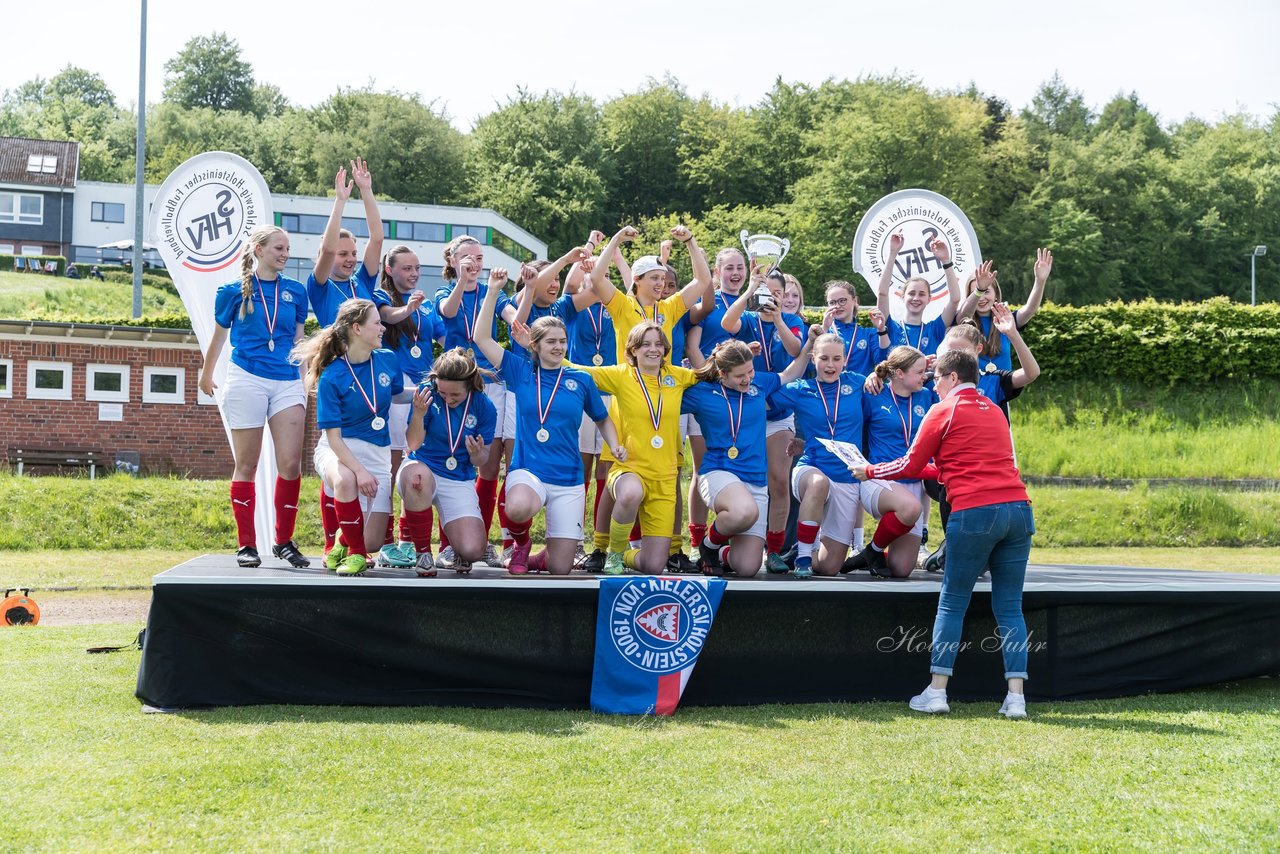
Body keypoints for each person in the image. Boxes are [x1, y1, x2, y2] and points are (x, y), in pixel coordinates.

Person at [854, 348, 1034, 719]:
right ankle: (1016, 698)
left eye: (937, 379)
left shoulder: (942, 410)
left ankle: (937, 692)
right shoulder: (996, 411)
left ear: (952, 378)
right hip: (1018, 509)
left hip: (974, 512)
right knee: (1011, 607)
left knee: (953, 602)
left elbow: (911, 463)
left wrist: (869, 472)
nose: (933, 385)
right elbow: (955, 469)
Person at [475, 270, 625, 574]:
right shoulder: (520, 371)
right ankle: (521, 543)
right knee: (516, 507)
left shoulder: (580, 379)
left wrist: (615, 445)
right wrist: (492, 291)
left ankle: (541, 559)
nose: (558, 347)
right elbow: (481, 338)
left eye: (562, 341)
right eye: (551, 342)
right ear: (535, 345)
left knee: (560, 570)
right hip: (529, 471)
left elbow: (603, 419)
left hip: (568, 480)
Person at [199, 226, 310, 569]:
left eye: (288, 249)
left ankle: (283, 541)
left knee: (290, 464)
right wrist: (206, 373)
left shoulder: (294, 291)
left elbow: (300, 340)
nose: (285, 254)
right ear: (259, 250)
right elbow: (219, 338)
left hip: (287, 381)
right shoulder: (232, 291)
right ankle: (247, 545)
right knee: (246, 465)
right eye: (279, 247)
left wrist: (305, 381)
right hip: (247, 378)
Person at [682, 332, 817, 576]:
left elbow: (790, 374)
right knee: (744, 512)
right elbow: (665, 400)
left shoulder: (759, 384)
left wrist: (808, 344)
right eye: (740, 375)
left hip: (755, 479)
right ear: (722, 373)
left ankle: (722, 552)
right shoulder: (701, 393)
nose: (747, 379)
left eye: (750, 372)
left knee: (747, 567)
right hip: (719, 472)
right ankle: (708, 546)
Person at [571, 322, 698, 575]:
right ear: (633, 349)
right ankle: (615, 554)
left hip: (664, 478)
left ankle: (628, 556)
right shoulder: (621, 375)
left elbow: (711, 373)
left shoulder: (679, 376)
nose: (654, 349)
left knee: (653, 566)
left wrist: (731, 354)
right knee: (630, 493)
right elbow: (577, 370)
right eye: (646, 344)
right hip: (629, 468)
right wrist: (543, 350)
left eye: (658, 344)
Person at [295, 299, 400, 576]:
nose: (382, 328)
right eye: (377, 322)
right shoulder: (333, 376)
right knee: (346, 479)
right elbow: (333, 438)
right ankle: (355, 553)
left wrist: (431, 391)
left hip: (378, 451)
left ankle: (344, 542)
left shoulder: (388, 360)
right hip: (338, 449)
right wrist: (361, 471)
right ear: (357, 328)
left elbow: (399, 393)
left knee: (375, 540)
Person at [435, 235, 520, 566]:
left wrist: (519, 323)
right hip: (457, 385)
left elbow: (509, 312)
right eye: (466, 257)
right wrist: (461, 280)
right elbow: (448, 310)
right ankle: (447, 543)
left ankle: (482, 541)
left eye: (479, 258)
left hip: (489, 386)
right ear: (453, 261)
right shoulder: (446, 291)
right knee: (452, 462)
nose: (474, 262)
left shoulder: (490, 294)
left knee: (487, 468)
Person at [720, 266, 806, 573]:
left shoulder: (793, 321)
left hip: (779, 416)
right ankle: (727, 542)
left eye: (777, 293)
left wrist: (779, 317)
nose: (770, 299)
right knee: (743, 480)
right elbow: (726, 322)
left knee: (780, 481)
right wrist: (748, 292)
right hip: (746, 415)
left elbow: (796, 351)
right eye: (764, 293)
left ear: (784, 296)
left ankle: (776, 548)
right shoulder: (748, 321)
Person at [767, 330, 871, 578]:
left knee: (829, 567)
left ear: (845, 360)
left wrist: (878, 374)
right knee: (818, 483)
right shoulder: (800, 388)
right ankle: (803, 556)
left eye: (837, 359)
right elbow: (761, 401)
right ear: (813, 358)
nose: (830, 365)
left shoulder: (858, 383)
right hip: (811, 468)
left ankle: (798, 552)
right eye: (824, 358)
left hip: (847, 477)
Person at [371, 245, 447, 569]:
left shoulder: (427, 305)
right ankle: (385, 541)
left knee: (414, 465)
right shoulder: (379, 299)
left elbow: (444, 340)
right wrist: (407, 309)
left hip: (424, 393)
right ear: (389, 270)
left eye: (416, 268)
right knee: (390, 468)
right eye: (406, 268)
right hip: (396, 392)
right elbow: (389, 317)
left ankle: (406, 540)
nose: (413, 274)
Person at [841, 346, 937, 578]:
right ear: (899, 374)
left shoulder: (927, 395)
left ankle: (870, 552)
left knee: (901, 569)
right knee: (911, 507)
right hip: (878, 477)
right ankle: (874, 551)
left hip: (913, 479)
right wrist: (871, 375)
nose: (924, 376)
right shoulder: (873, 394)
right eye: (919, 371)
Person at [398, 348, 496, 574]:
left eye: (455, 395)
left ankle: (453, 551)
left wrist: (476, 453)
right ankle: (423, 553)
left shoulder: (484, 406)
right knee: (416, 478)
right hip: (424, 466)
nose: (448, 399)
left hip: (458, 476)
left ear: (469, 385)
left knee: (472, 550)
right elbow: (412, 445)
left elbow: (482, 460)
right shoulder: (426, 393)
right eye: (443, 394)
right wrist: (419, 415)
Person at [307, 158, 383, 328]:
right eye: (342, 254)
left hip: (366, 354)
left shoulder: (362, 281)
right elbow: (328, 250)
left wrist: (366, 190)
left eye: (354, 253)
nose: (351, 259)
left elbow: (377, 239)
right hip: (337, 354)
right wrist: (340, 200)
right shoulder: (320, 286)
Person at [956, 249, 1052, 373]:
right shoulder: (964, 324)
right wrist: (979, 289)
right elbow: (963, 316)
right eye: (977, 293)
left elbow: (1030, 309)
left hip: (1004, 389)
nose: (982, 298)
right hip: (975, 389)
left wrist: (1040, 281)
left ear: (996, 294)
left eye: (986, 291)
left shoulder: (1006, 321)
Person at [877, 231, 961, 359]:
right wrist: (893, 253)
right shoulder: (890, 326)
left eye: (921, 294)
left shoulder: (934, 330)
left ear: (929, 299)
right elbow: (882, 293)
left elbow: (954, 300)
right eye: (911, 293)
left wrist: (946, 260)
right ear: (902, 296)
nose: (916, 298)